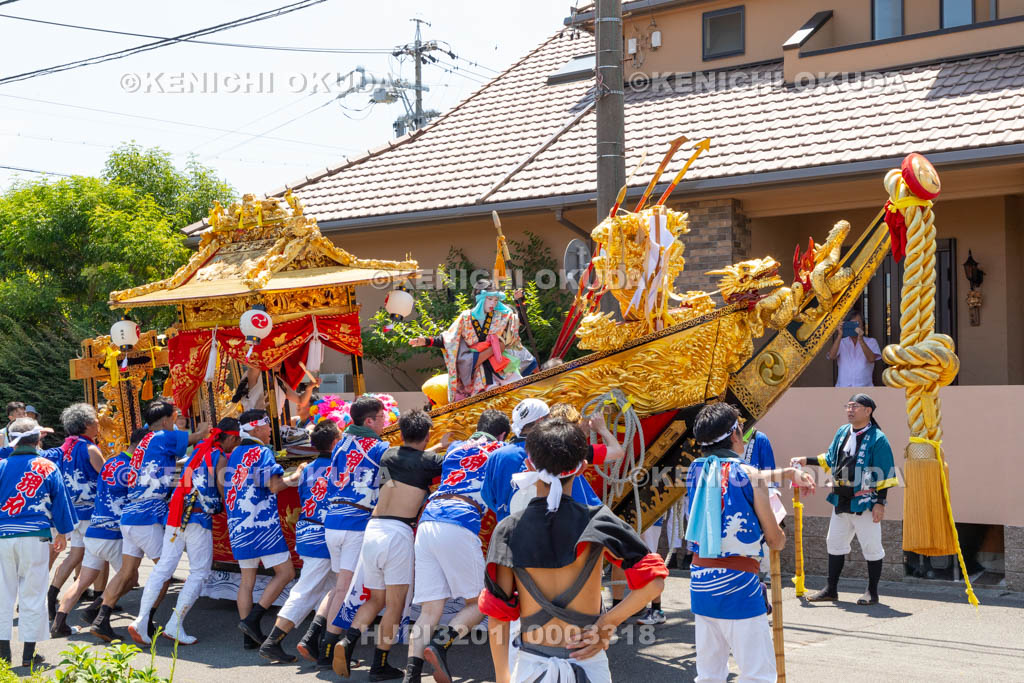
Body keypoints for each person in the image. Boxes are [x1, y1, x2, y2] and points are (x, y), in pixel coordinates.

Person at [480, 417, 668, 683]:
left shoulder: (509, 530)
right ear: (582, 468)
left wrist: (503, 677)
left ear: (530, 465)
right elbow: (654, 581)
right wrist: (607, 624)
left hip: (532, 667)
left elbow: (498, 615)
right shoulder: (598, 521)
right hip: (589, 664)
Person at [686, 403, 815, 683]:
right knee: (759, 675)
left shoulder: (695, 470)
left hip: (701, 579)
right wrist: (781, 537)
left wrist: (787, 473)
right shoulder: (748, 475)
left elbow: (741, 475)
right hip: (738, 584)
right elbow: (774, 539)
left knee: (709, 674)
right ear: (735, 434)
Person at [404, 409, 511, 683]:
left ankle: (411, 675)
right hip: (459, 520)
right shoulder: (501, 450)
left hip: (427, 521)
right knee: (481, 602)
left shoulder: (454, 447)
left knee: (430, 610)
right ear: (501, 434)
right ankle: (440, 645)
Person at [334, 410, 442, 680]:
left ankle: (348, 641)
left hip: (373, 529)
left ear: (401, 433)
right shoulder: (432, 461)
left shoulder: (387, 454)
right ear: (427, 436)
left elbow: (406, 465)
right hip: (398, 533)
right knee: (395, 604)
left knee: (375, 598)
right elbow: (429, 463)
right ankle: (379, 664)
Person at [89, 401, 208, 642]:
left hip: (130, 518)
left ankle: (101, 619)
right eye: (174, 419)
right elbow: (198, 437)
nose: (176, 424)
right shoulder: (163, 435)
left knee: (126, 572)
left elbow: (162, 468)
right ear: (165, 421)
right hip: (146, 519)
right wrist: (204, 422)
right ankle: (146, 621)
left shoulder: (144, 442)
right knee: (164, 573)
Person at [128, 417, 239, 646]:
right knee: (199, 571)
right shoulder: (218, 456)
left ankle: (140, 620)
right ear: (228, 438)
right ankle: (174, 625)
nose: (234, 446)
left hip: (175, 514)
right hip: (197, 518)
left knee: (163, 569)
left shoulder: (198, 449)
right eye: (235, 441)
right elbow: (222, 488)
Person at [792, 393, 897, 605]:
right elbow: (830, 458)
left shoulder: (878, 438)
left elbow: (885, 472)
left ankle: (872, 591)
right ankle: (831, 589)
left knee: (871, 545)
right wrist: (806, 460)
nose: (850, 410)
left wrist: (880, 503)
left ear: (868, 411)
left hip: (865, 501)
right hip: (841, 498)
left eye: (855, 406)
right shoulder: (842, 432)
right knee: (834, 543)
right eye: (848, 406)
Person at [317, 396, 391, 667]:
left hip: (333, 521)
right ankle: (330, 651)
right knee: (348, 590)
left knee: (340, 588)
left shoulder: (341, 443)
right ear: (369, 421)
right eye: (382, 418)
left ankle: (324, 645)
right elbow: (389, 486)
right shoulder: (380, 447)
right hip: (355, 522)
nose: (386, 422)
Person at [259, 419, 340, 663]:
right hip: (322, 536)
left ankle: (319, 644)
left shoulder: (307, 468)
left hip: (307, 532)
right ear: (336, 442)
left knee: (330, 590)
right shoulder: (340, 469)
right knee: (307, 591)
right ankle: (273, 641)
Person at [51, 428, 145, 637]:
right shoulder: (133, 468)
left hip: (94, 529)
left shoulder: (111, 462)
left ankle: (59, 623)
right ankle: (98, 612)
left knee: (82, 581)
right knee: (129, 577)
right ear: (141, 446)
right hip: (114, 533)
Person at [0, 418, 77, 669]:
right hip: (36, 536)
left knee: (2, 596)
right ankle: (28, 656)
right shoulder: (47, 466)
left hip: (2, 536)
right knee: (33, 594)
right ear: (37, 439)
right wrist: (63, 534)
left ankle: (3, 657)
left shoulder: (1, 466)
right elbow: (60, 503)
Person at [227, 409, 296, 649]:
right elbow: (273, 485)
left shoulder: (234, 452)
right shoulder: (261, 451)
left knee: (247, 581)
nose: (270, 431)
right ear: (256, 429)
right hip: (261, 525)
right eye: (267, 427)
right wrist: (297, 475)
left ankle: (249, 635)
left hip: (238, 525)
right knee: (286, 573)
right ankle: (254, 620)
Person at [409, 279, 534, 402]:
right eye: (490, 299)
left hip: (499, 362)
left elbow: (521, 322)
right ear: (480, 299)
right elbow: (449, 339)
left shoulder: (499, 315)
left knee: (519, 390)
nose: (493, 304)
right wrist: (425, 341)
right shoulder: (465, 317)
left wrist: (520, 301)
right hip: (476, 368)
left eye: (496, 300)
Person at [481, 398, 603, 524]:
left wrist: (507, 511)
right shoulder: (554, 449)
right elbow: (581, 498)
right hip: (559, 530)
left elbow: (488, 496)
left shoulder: (497, 456)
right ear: (540, 420)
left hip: (511, 530)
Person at [47, 403, 105, 622]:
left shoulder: (65, 448)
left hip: (72, 512)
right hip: (91, 512)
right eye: (95, 420)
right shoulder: (90, 449)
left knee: (74, 555)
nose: (98, 423)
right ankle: (101, 600)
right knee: (101, 556)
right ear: (86, 424)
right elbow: (107, 476)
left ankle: (52, 593)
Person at [235, 364, 320, 423]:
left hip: (272, 428)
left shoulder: (279, 381)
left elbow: (301, 400)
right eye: (275, 359)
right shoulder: (254, 373)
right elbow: (255, 361)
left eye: (280, 359)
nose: (279, 362)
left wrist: (309, 388)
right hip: (253, 424)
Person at [827, 310, 881, 387]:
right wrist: (839, 335)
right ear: (846, 325)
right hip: (843, 387)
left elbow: (871, 359)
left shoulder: (871, 342)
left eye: (858, 324)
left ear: (863, 326)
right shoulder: (841, 342)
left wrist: (861, 340)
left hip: (865, 388)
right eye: (852, 324)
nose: (856, 327)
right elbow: (832, 356)